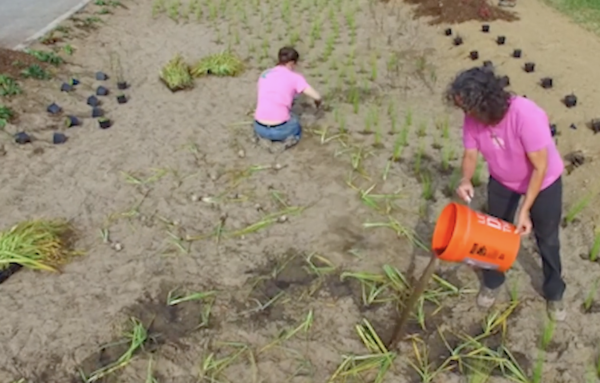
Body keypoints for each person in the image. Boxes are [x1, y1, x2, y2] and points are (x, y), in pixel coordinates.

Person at [446, 66, 567, 321]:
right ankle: (493, 280)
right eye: (463, 108)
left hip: (543, 182)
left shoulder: (525, 114)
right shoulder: (472, 117)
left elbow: (540, 166)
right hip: (503, 180)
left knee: (547, 239)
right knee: (494, 234)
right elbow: (470, 153)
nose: (467, 114)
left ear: (486, 101)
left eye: (469, 108)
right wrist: (466, 179)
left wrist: (525, 209)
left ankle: (554, 292)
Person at [253, 47, 322, 149]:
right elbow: (317, 96)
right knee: (296, 122)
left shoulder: (264, 74)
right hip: (282, 129)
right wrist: (318, 103)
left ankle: (262, 138)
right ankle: (288, 141)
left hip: (259, 127)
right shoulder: (295, 78)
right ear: (292, 63)